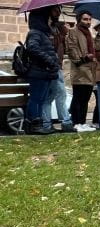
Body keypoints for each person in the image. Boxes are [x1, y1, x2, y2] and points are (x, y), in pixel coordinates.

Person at [23, 7, 61, 135]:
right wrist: (50, 60)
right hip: (38, 72)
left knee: (40, 99)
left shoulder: (42, 33)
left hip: (44, 72)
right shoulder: (35, 33)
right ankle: (33, 125)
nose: (49, 19)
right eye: (47, 17)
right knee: (36, 99)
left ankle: (36, 125)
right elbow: (33, 48)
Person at [40, 5, 74, 133]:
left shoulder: (57, 28)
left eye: (59, 11)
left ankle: (47, 124)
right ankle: (65, 122)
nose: (58, 13)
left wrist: (66, 34)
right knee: (60, 93)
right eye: (55, 11)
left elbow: (64, 48)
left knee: (51, 96)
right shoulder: (44, 29)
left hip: (57, 65)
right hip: (50, 67)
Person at [65, 10, 97, 130]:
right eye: (85, 19)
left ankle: (82, 123)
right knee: (78, 97)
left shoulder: (88, 33)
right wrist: (83, 58)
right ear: (79, 20)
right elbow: (71, 48)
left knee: (86, 98)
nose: (88, 22)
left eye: (89, 19)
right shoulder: (73, 31)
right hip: (80, 69)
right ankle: (76, 123)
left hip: (90, 69)